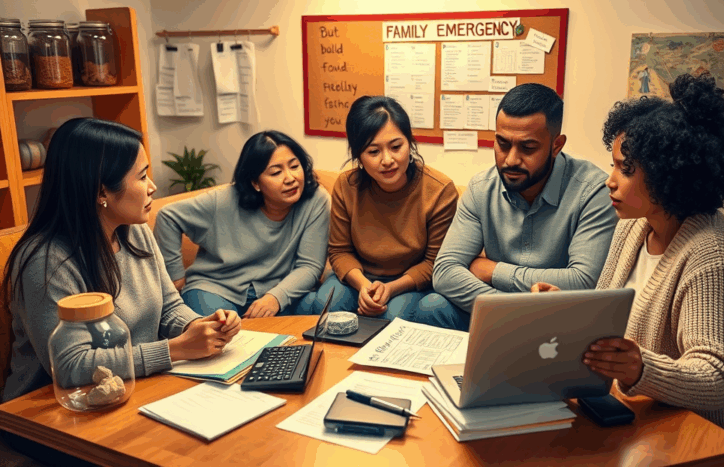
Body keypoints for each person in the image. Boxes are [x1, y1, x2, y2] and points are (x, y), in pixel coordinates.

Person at [1, 118, 241, 464]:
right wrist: (175, 350)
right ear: (101, 192)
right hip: (50, 418)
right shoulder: (46, 261)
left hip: (131, 392)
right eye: (141, 177)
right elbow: (70, 366)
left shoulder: (134, 230)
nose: (152, 187)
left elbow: (169, 305)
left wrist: (200, 326)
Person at [533, 73, 724, 440]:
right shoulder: (633, 226)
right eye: (613, 165)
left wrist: (641, 369)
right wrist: (567, 309)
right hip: (634, 413)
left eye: (626, 169)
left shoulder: (712, 255)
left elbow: (717, 381)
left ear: (670, 175)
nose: (610, 180)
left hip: (694, 434)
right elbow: (608, 316)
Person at [429, 83, 617, 330]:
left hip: (559, 320)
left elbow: (583, 282)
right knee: (431, 306)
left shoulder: (593, 191)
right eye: (502, 144)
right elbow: (444, 272)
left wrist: (494, 271)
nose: (511, 160)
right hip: (497, 313)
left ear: (556, 145)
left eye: (527, 148)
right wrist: (512, 311)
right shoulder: (481, 188)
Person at [307, 96, 459, 322]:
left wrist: (390, 289)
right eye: (373, 151)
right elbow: (339, 251)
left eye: (396, 147)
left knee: (389, 317)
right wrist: (364, 286)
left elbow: (434, 263)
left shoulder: (439, 190)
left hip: (409, 283)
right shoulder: (346, 186)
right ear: (359, 156)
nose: (387, 160)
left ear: (410, 143)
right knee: (325, 305)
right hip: (359, 277)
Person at [154, 131, 330, 318]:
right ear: (255, 183)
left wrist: (275, 298)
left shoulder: (316, 200)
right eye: (276, 172)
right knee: (219, 330)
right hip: (216, 289)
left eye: (294, 166)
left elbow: (310, 265)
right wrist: (176, 277)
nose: (290, 178)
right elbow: (168, 217)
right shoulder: (222, 201)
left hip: (279, 291)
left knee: (326, 312)